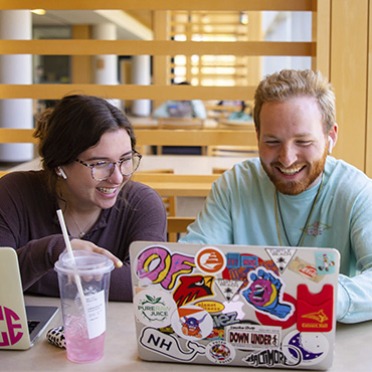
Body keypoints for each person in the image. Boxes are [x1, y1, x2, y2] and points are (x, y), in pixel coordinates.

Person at [180, 69, 372, 324]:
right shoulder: (235, 185)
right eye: (272, 142)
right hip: (242, 340)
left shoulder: (354, 190)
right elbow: (193, 259)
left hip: (327, 339)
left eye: (303, 142)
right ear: (257, 137)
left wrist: (329, 298)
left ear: (330, 137)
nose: (287, 158)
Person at [0, 94, 167, 301]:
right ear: (59, 164)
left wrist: (29, 270)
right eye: (99, 163)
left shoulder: (142, 204)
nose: (117, 177)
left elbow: (146, 283)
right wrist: (52, 250)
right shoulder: (14, 193)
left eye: (125, 160)